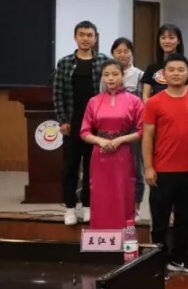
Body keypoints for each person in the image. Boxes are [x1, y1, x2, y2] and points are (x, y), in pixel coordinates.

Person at [143, 54, 188, 273]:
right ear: (163, 74)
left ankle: (180, 257)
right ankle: (158, 262)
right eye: (171, 70)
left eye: (181, 70)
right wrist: (148, 167)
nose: (176, 73)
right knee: (160, 220)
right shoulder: (154, 102)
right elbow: (147, 136)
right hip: (162, 170)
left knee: (186, 218)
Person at [54, 20, 109, 226]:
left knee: (92, 167)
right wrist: (62, 120)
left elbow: (109, 92)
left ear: (95, 38)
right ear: (75, 37)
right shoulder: (65, 63)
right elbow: (58, 93)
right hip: (72, 122)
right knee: (70, 167)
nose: (85, 39)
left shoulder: (103, 61)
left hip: (95, 125)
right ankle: (69, 208)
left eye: (89, 35)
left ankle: (88, 206)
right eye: (82, 34)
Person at [80, 59, 144, 230]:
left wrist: (119, 140)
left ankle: (124, 234)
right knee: (100, 193)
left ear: (123, 76)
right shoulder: (94, 101)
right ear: (102, 77)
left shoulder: (134, 101)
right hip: (100, 153)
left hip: (123, 153)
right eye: (106, 74)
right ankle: (101, 233)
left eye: (115, 74)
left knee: (123, 192)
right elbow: (84, 132)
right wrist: (100, 140)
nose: (110, 78)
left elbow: (142, 130)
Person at [106, 37, 145, 223]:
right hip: (111, 128)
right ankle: (115, 205)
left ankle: (136, 208)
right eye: (118, 51)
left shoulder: (139, 75)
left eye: (126, 51)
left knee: (136, 168)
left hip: (133, 128)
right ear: (113, 53)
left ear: (131, 53)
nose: (122, 54)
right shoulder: (108, 73)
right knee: (113, 169)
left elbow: (143, 102)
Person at [141, 23, 188, 101]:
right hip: (156, 107)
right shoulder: (151, 67)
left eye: (171, 38)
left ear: (179, 41)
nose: (167, 41)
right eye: (163, 38)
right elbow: (145, 95)